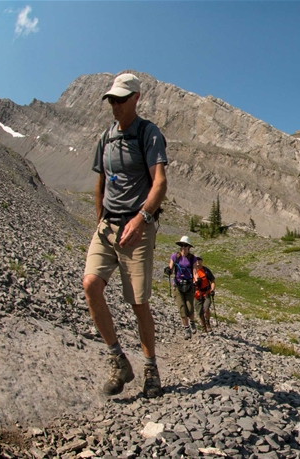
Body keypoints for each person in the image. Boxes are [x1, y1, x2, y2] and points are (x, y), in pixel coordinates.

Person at [82, 73, 168, 398]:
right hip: (107, 227)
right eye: (112, 100)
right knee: (90, 284)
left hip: (138, 229)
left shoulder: (148, 134)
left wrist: (142, 219)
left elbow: (159, 183)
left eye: (121, 99)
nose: (115, 105)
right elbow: (100, 183)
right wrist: (100, 221)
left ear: (136, 98)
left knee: (138, 303)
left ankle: (150, 368)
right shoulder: (105, 138)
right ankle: (118, 360)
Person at [165, 236, 197, 339]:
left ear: (189, 247)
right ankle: (186, 328)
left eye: (185, 246)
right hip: (178, 285)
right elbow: (171, 267)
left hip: (189, 285)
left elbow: (195, 271)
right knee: (182, 308)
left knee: (190, 308)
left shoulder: (193, 258)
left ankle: (192, 322)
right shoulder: (175, 256)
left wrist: (196, 280)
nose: (183, 247)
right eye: (182, 245)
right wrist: (168, 270)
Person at [193, 256, 216, 332]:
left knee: (205, 309)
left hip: (206, 293)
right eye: (196, 259)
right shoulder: (192, 271)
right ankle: (203, 327)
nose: (197, 261)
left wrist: (212, 290)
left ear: (201, 261)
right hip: (196, 294)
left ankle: (208, 323)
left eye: (199, 259)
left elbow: (212, 281)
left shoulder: (206, 270)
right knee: (199, 312)